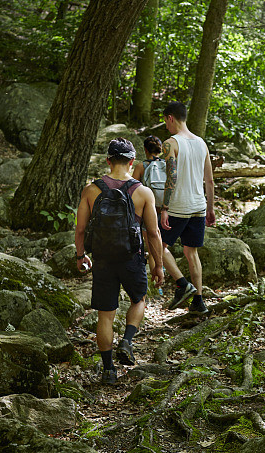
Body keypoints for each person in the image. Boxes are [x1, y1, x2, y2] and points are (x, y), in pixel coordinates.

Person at [75, 138, 164, 384]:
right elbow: (153, 233)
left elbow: (80, 229)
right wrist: (158, 264)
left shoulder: (91, 190)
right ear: (132, 161)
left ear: (108, 160)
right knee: (139, 299)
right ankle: (127, 341)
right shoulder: (143, 192)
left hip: (102, 260)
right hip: (132, 258)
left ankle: (108, 370)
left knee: (105, 315)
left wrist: (80, 255)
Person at [159, 101, 215, 314]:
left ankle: (182, 284)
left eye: (165, 121)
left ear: (171, 118)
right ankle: (199, 301)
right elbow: (209, 181)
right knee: (191, 252)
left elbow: (171, 176)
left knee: (157, 245)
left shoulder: (171, 143)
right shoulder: (202, 143)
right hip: (199, 206)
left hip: (178, 207)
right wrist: (210, 208)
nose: (166, 126)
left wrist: (165, 207)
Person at [133, 135, 164, 274]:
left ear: (145, 149)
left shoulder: (141, 166)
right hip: (165, 209)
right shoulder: (167, 165)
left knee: (152, 248)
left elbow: (132, 188)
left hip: (148, 211)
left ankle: (157, 280)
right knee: (160, 244)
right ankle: (161, 271)